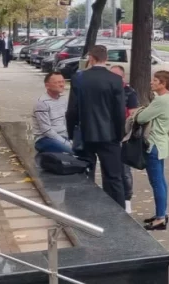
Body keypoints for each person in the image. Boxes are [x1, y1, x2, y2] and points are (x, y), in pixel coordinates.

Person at [66, 45, 127, 208]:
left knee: (85, 175)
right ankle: (117, 213)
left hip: (85, 134)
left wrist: (71, 133)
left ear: (91, 58)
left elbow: (72, 110)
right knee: (113, 177)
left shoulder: (79, 78)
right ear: (106, 59)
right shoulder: (115, 80)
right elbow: (120, 112)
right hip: (109, 135)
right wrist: (119, 134)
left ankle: (84, 211)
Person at [136, 71, 169, 230]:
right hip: (162, 144)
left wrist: (139, 111)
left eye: (155, 80)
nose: (151, 82)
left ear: (163, 84)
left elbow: (141, 118)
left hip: (153, 144)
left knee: (157, 182)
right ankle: (162, 213)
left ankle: (160, 218)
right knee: (161, 181)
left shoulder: (160, 101)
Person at [110, 65, 140, 214]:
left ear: (122, 77)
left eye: (116, 76)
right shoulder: (106, 90)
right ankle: (112, 197)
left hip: (123, 137)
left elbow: (133, 116)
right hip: (109, 136)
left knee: (124, 170)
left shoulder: (129, 92)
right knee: (110, 169)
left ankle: (127, 199)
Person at [33, 72, 72, 154]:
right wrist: (66, 143)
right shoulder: (42, 103)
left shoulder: (63, 99)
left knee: (85, 149)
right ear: (47, 85)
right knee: (73, 152)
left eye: (63, 82)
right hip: (45, 139)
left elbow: (65, 120)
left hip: (63, 136)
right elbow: (46, 130)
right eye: (57, 82)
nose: (61, 85)